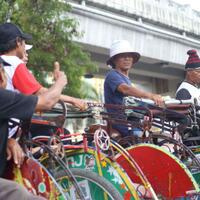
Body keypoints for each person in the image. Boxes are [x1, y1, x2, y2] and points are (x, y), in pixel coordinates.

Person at [0, 56, 67, 200]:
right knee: (18, 192)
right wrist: (60, 81)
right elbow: (46, 101)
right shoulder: (3, 97)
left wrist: (8, 141)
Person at [0, 22, 86, 110]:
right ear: (18, 41)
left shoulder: (2, 62)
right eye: (24, 41)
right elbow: (41, 94)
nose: (24, 45)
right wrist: (72, 98)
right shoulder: (14, 63)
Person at [104, 40, 163, 137]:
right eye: (123, 56)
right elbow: (125, 89)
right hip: (120, 121)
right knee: (143, 138)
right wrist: (150, 95)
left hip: (131, 120)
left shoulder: (126, 78)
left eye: (129, 56)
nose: (127, 58)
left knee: (159, 135)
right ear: (114, 60)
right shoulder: (112, 75)